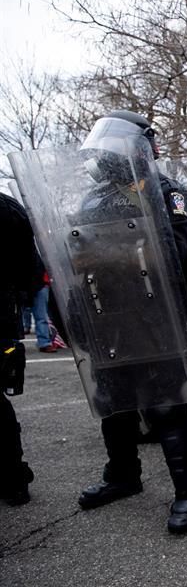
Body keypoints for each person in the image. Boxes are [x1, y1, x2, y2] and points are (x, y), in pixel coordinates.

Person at [66, 111, 187, 533]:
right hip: (107, 315)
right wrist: (75, 313)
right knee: (114, 403)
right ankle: (123, 476)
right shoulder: (96, 196)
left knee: (165, 405)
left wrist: (119, 251)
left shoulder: (164, 190)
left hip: (154, 315)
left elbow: (176, 252)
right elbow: (76, 255)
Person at [0, 192, 41, 505]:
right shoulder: (7, 207)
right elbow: (31, 271)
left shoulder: (6, 208)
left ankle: (13, 476)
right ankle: (12, 477)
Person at [21, 260, 56, 353]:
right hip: (38, 283)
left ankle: (44, 342)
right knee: (41, 316)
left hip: (37, 283)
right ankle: (44, 342)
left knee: (39, 315)